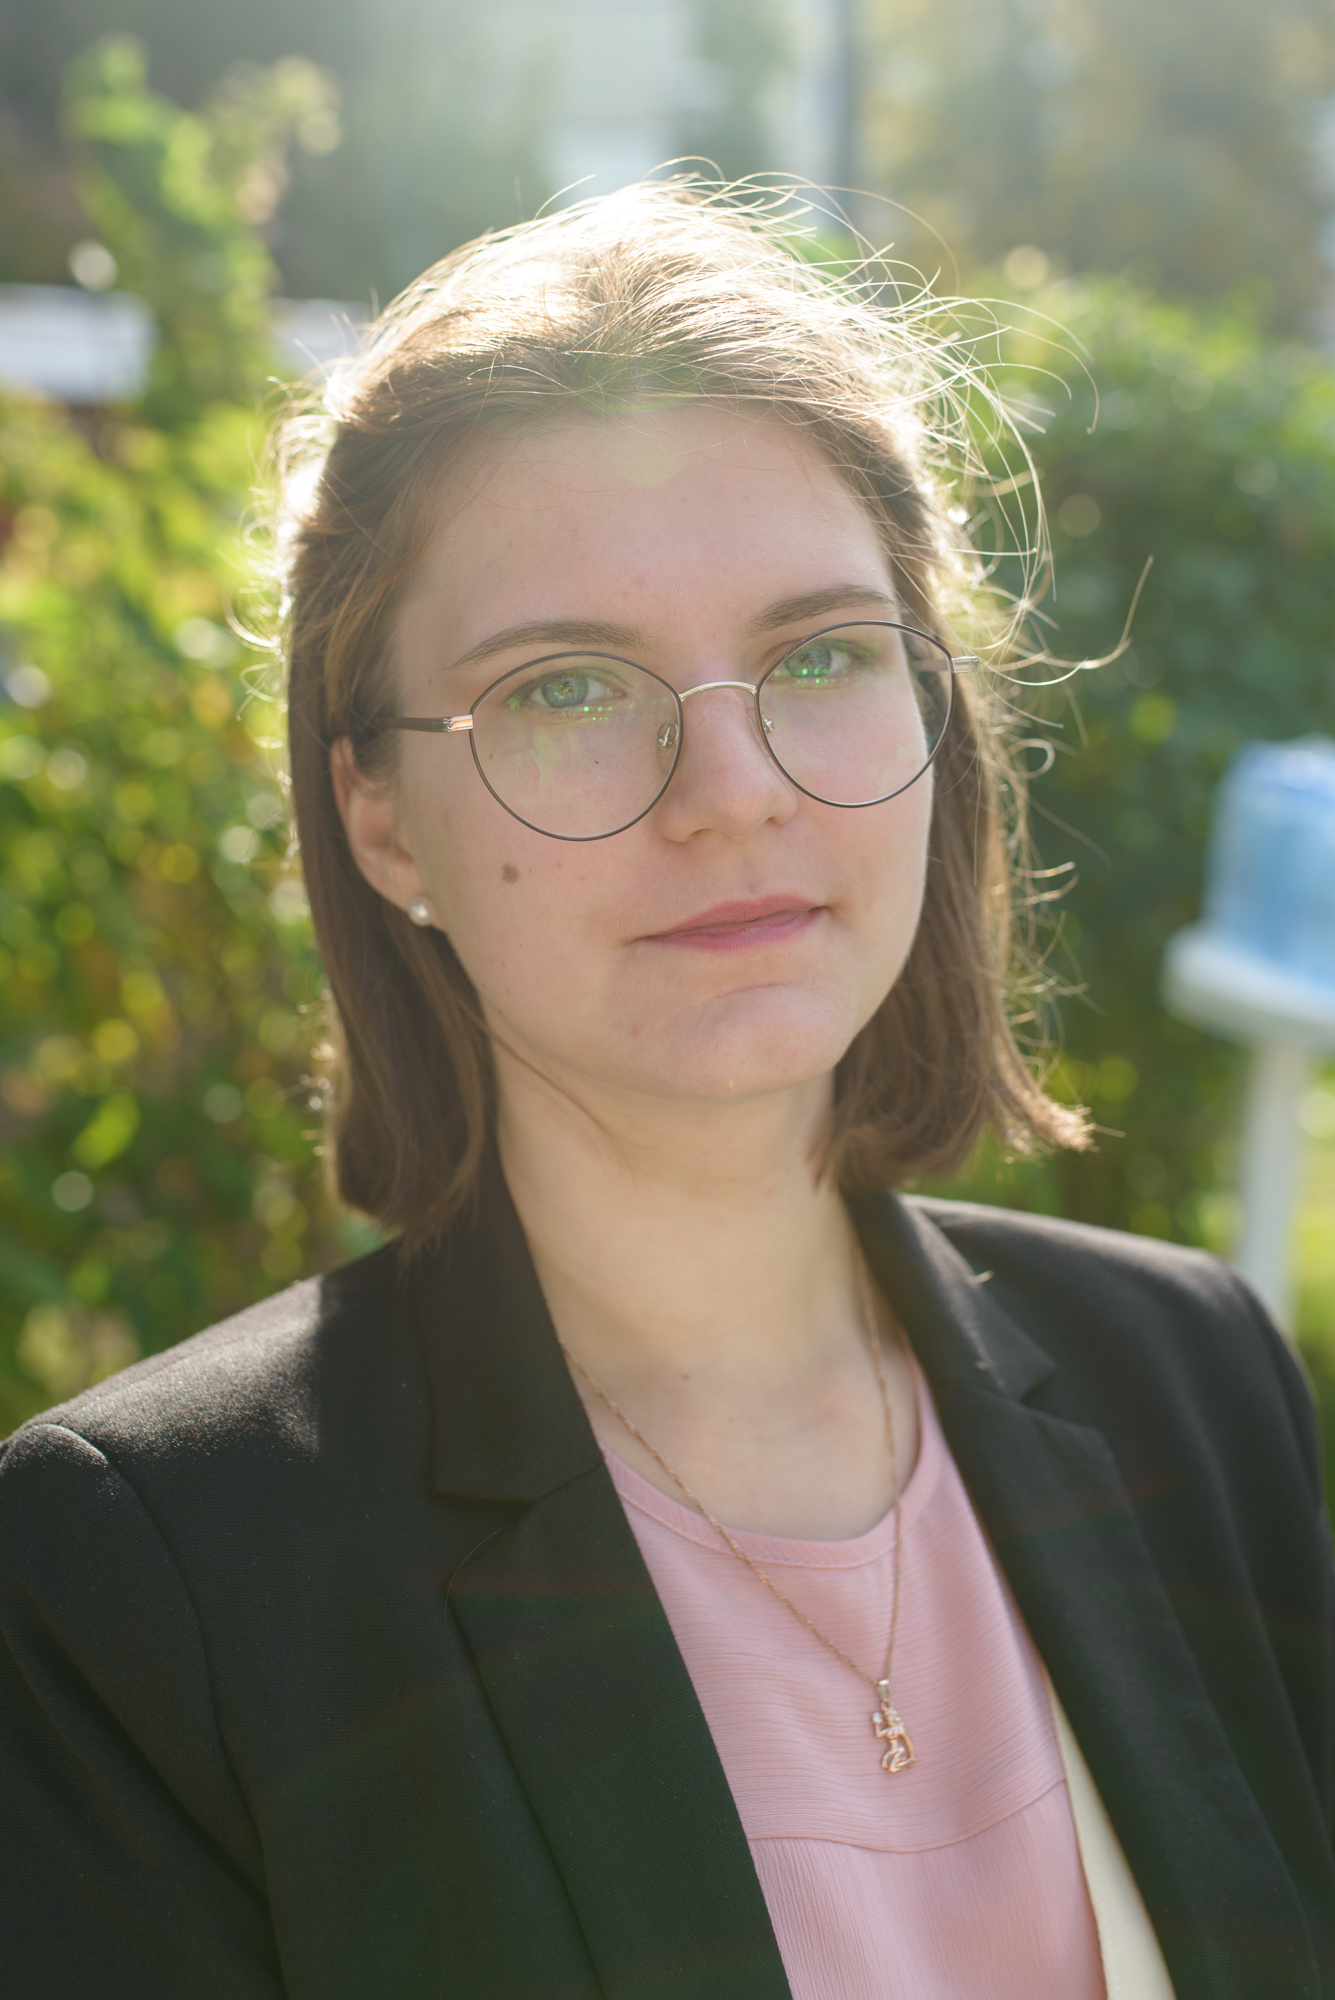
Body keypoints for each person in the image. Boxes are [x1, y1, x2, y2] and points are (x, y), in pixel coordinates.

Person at [0, 185, 1331, 2000]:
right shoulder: (149, 1581)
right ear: (380, 814)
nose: (733, 789)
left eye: (820, 655)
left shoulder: (1196, 1382)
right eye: (566, 688)